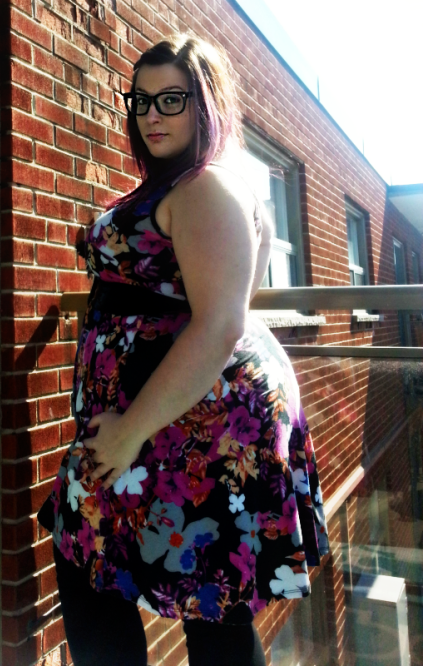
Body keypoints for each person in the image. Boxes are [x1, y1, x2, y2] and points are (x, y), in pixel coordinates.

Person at [38, 33, 329, 666]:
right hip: (178, 419)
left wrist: (128, 432)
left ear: (207, 105)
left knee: (112, 568)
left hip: (185, 426)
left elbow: (223, 321)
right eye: (140, 101)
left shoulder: (206, 189)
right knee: (204, 598)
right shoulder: (191, 186)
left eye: (171, 98)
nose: (151, 115)